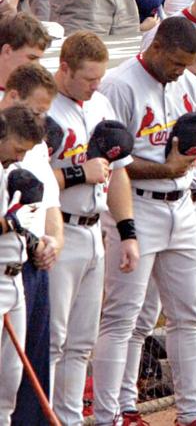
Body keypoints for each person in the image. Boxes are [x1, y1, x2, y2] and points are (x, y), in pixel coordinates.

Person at [88, 17, 196, 425]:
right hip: (136, 208)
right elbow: (112, 163)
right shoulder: (119, 86)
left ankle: (192, 410)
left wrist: (183, 172)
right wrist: (169, 170)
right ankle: (115, 412)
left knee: (190, 314)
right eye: (176, 62)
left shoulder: (189, 84)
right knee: (124, 317)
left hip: (183, 209)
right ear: (156, 47)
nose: (180, 71)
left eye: (186, 64)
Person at [45, 32, 136, 426]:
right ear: (64, 69)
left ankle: (69, 418)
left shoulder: (99, 103)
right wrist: (79, 172)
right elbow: (30, 179)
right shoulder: (45, 109)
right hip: (57, 231)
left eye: (100, 77)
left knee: (82, 341)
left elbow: (117, 173)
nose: (96, 85)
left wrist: (128, 231)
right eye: (88, 78)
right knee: (53, 340)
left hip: (94, 230)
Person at [0, 104, 50, 426]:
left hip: (15, 281)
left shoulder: (8, 171)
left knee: (9, 384)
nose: (20, 157)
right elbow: (9, 222)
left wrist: (29, 235)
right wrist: (10, 221)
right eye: (18, 148)